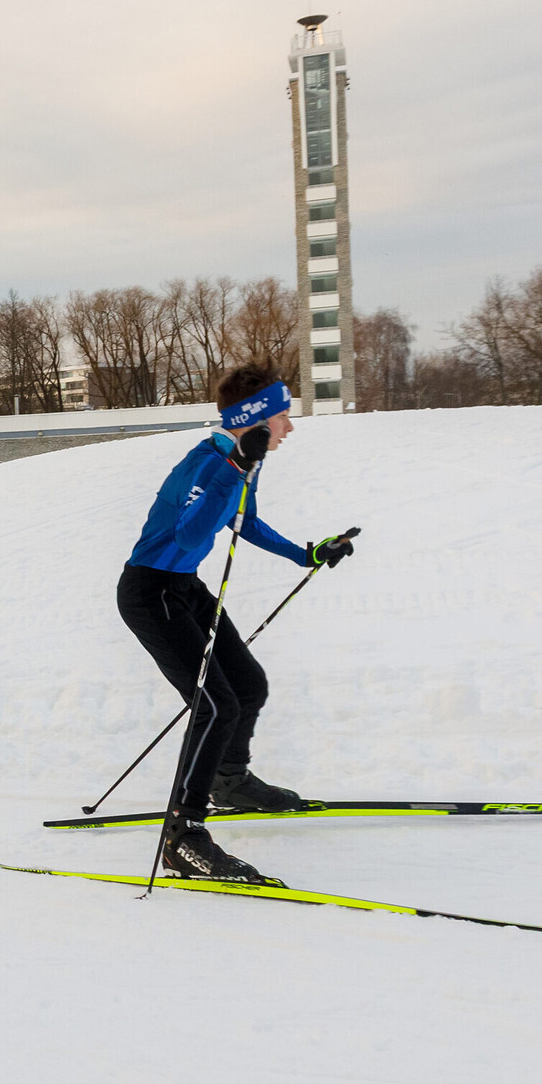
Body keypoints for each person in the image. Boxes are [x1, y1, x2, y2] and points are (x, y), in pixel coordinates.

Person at [117, 364, 358, 883]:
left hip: (184, 589)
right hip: (150, 592)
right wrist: (234, 469)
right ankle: (183, 835)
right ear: (254, 420)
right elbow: (186, 536)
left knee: (248, 686)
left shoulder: (241, 460)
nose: (289, 430)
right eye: (282, 419)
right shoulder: (206, 463)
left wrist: (307, 553)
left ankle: (228, 779)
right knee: (214, 706)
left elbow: (242, 519)